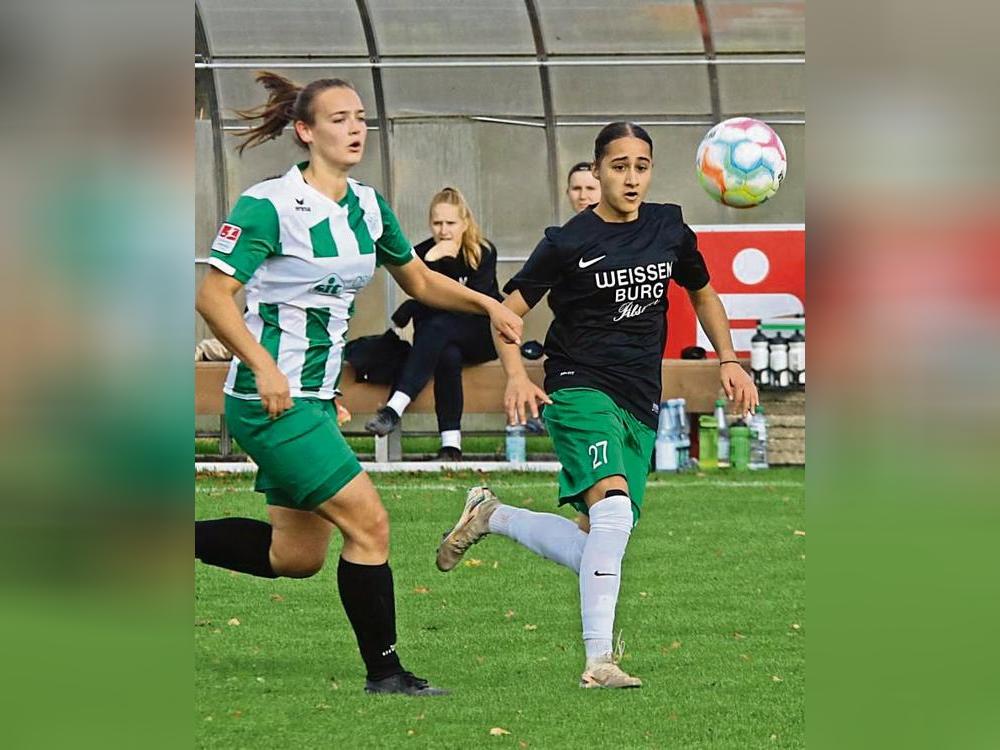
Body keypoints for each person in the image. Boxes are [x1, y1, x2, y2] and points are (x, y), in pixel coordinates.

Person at [194, 71, 522, 696]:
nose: (355, 128)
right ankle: (387, 673)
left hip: (315, 399)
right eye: (339, 118)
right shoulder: (268, 205)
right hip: (270, 402)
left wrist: (491, 306)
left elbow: (420, 282)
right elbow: (212, 295)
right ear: (305, 131)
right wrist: (263, 367)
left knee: (297, 557)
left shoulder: (369, 205)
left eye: (361, 117)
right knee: (370, 525)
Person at [435, 122, 758, 689]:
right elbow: (506, 312)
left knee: (596, 542)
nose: (631, 178)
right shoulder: (567, 242)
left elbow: (702, 291)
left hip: (639, 398)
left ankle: (492, 515)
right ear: (598, 169)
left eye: (641, 166)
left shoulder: (669, 227)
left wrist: (728, 358)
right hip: (579, 385)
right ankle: (598, 661)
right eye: (619, 166)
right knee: (611, 515)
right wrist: (516, 376)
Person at [364, 187, 501, 460]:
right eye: (437, 223)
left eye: (450, 223)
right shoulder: (422, 253)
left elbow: (477, 305)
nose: (444, 230)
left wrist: (446, 261)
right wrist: (430, 262)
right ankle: (451, 446)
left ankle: (393, 408)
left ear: (465, 222)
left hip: (481, 336)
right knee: (447, 354)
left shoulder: (482, 252)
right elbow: (426, 300)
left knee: (441, 326)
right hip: (440, 340)